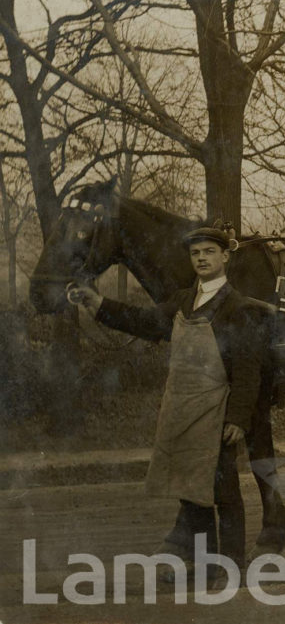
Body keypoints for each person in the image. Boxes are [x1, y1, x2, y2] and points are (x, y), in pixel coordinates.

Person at [70, 224, 262, 573]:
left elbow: (248, 371)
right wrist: (99, 305)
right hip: (181, 410)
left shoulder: (237, 306)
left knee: (225, 493)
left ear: (225, 257)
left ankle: (232, 568)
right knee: (192, 492)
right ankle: (204, 566)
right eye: (195, 253)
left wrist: (238, 418)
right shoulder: (181, 300)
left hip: (216, 412)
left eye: (209, 252)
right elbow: (145, 321)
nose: (202, 258)